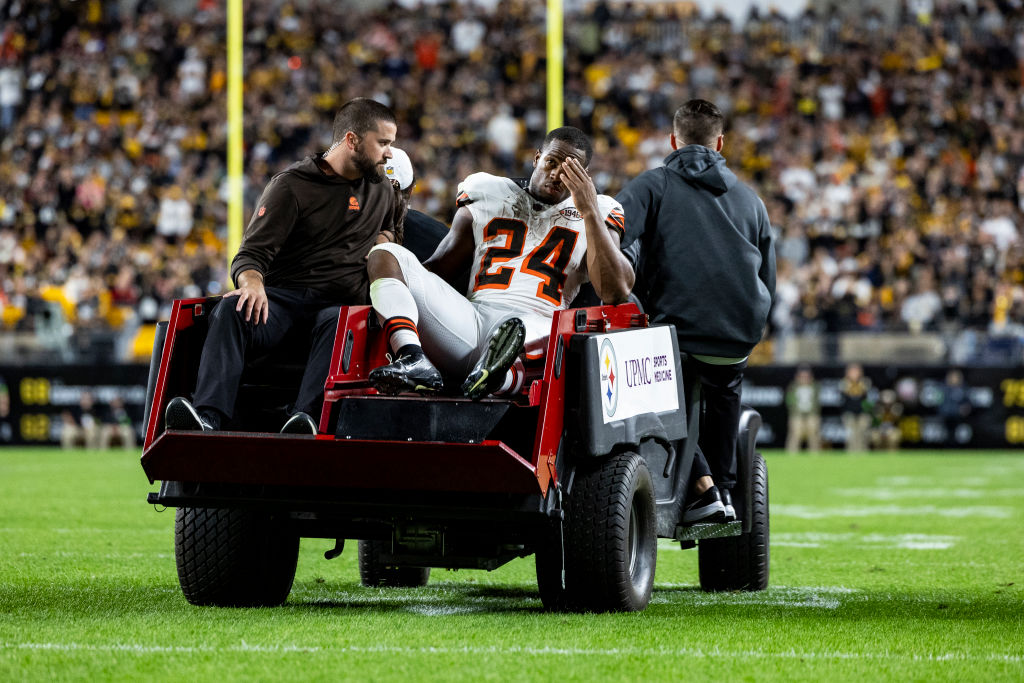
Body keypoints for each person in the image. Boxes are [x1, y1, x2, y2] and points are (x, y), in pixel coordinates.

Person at [165, 98, 401, 434]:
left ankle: (304, 422)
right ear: (352, 140)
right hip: (284, 303)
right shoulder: (292, 186)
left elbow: (389, 228)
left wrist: (383, 241)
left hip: (338, 309)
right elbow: (250, 255)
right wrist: (251, 283)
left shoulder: (382, 189)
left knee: (338, 319)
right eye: (383, 143)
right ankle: (207, 419)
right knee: (232, 309)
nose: (389, 153)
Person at [364, 126, 634, 400]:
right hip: (470, 320)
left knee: (522, 330)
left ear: (584, 178)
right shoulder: (487, 190)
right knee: (387, 254)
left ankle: (499, 378)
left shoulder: (599, 211)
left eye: (569, 170)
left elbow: (616, 290)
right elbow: (440, 267)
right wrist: (389, 284)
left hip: (537, 323)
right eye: (551, 162)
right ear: (536, 158)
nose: (556, 175)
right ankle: (412, 358)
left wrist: (588, 209)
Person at [617, 99, 776, 523]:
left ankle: (703, 488)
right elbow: (769, 276)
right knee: (723, 394)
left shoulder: (654, 185)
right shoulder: (751, 199)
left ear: (673, 139)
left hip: (677, 331)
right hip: (738, 333)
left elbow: (611, 233)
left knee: (653, 394)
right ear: (720, 143)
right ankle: (724, 490)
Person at [785, 365, 822, 453]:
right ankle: (792, 454)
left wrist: (815, 412)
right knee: (795, 435)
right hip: (797, 414)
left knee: (813, 435)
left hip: (812, 414)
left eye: (806, 376)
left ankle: (815, 455)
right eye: (802, 376)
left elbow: (817, 401)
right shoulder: (793, 386)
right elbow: (789, 400)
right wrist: (794, 410)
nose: (804, 378)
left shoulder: (815, 386)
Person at [839, 362, 873, 452]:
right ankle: (851, 452)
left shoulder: (865, 382)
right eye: (852, 371)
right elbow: (843, 394)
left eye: (856, 371)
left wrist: (858, 382)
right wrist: (849, 381)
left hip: (863, 412)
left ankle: (863, 452)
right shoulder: (844, 383)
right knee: (851, 434)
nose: (854, 374)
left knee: (862, 433)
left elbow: (867, 396)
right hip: (848, 412)